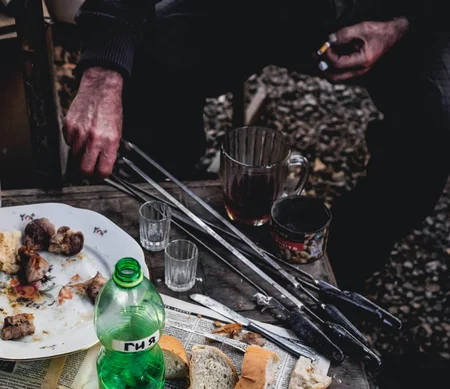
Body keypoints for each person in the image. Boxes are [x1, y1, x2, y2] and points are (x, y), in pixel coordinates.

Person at [63, 1, 449, 289]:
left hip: (389, 16)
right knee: (155, 43)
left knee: (438, 121)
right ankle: (169, 210)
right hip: (264, 9)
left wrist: (403, 23)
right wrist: (103, 74)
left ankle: (331, 273)